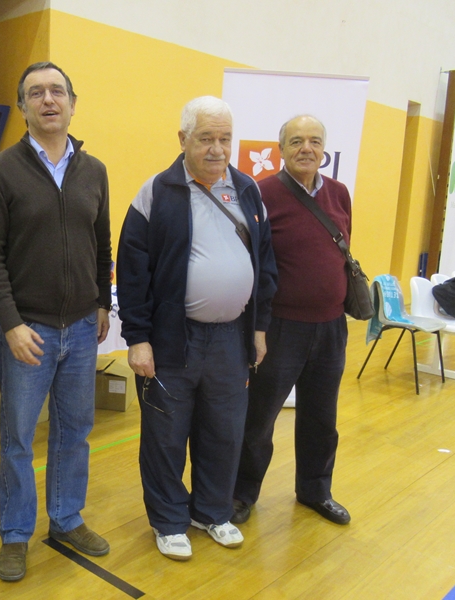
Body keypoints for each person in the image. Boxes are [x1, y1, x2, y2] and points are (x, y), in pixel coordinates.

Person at [116, 96, 278, 561]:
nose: (217, 149)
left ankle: (211, 511)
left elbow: (265, 262)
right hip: (173, 338)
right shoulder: (157, 191)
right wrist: (138, 339)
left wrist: (259, 327)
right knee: (166, 436)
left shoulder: (247, 190)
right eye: (206, 138)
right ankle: (169, 521)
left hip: (231, 338)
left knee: (225, 432)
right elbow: (132, 272)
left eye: (225, 138)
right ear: (183, 139)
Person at [0, 62, 113, 582]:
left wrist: (102, 302)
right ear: (23, 107)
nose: (48, 100)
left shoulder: (94, 171)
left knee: (75, 431)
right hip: (27, 332)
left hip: (82, 329)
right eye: (36, 93)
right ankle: (15, 533)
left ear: (73, 104)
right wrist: (10, 323)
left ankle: (66, 518)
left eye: (57, 91)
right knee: (17, 438)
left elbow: (102, 241)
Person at [232, 115, 353, 527]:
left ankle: (316, 490)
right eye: (297, 141)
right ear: (281, 149)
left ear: (324, 150)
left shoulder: (339, 194)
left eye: (315, 141)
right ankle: (241, 494)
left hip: (331, 327)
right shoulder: (262, 194)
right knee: (259, 419)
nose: (307, 148)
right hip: (280, 328)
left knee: (322, 418)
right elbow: (251, 262)